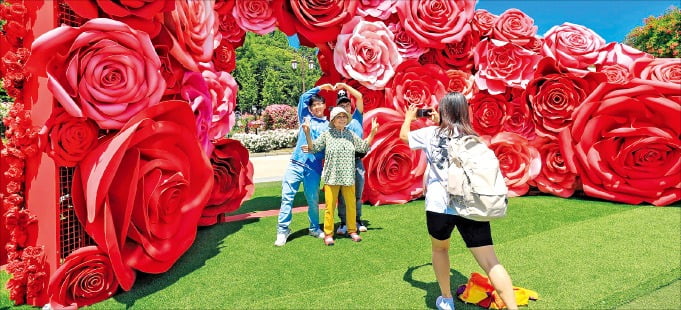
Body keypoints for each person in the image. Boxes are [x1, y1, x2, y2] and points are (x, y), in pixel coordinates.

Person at [399, 92, 518, 310]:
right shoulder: (472, 137)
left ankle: (446, 299)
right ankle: (512, 307)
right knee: (491, 261)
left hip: (439, 206)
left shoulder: (430, 134)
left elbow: (404, 136)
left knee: (440, 250)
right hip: (471, 204)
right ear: (464, 111)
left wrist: (409, 117)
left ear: (443, 111)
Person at [302, 107, 378, 246]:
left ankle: (352, 230)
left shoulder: (350, 134)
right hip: (332, 177)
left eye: (344, 116)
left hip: (349, 177)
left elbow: (363, 147)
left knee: (351, 205)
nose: (342, 119)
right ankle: (329, 233)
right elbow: (314, 148)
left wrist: (372, 132)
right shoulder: (327, 134)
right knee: (329, 207)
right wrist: (307, 134)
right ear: (333, 120)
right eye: (339, 117)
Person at [274, 84, 335, 247]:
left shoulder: (329, 126)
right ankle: (282, 230)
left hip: (313, 169)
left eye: (319, 104)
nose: (317, 107)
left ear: (324, 106)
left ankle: (314, 227)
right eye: (314, 105)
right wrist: (321, 87)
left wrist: (315, 149)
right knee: (287, 197)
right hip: (295, 165)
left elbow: (327, 149)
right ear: (310, 108)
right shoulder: (305, 118)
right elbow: (302, 98)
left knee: (313, 200)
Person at [333, 83, 368, 235]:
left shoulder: (356, 119)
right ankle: (343, 221)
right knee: (342, 195)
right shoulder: (336, 124)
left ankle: (357, 219)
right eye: (342, 105)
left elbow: (359, 97)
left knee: (358, 193)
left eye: (347, 104)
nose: (345, 107)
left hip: (357, 161)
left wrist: (344, 85)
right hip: (342, 163)